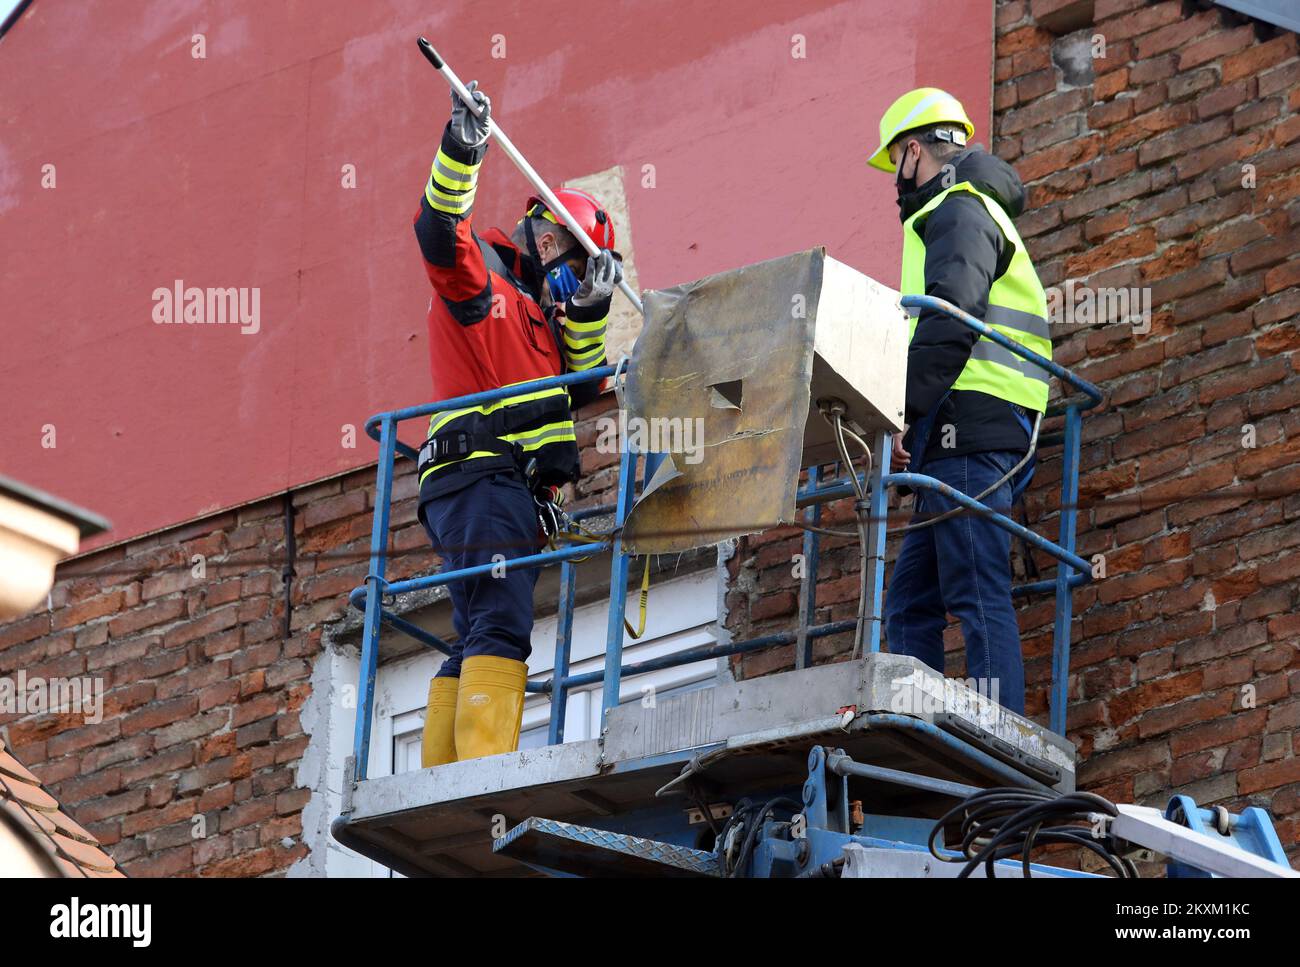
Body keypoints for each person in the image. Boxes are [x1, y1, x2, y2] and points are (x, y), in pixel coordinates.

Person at [412, 80, 622, 763]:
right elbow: (440, 233)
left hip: (485, 488)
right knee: (500, 623)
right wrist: (460, 150)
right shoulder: (491, 289)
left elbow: (581, 383)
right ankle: (478, 777)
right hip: (482, 474)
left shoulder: (543, 329)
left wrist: (591, 310)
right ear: (541, 230)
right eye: (572, 257)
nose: (571, 274)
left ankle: (442, 774)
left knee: (475, 627)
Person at [868, 88, 1052, 716]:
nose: (894, 179)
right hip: (968, 431)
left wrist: (904, 410)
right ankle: (922, 724)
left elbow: (952, 317)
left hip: (972, 428)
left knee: (975, 585)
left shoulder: (958, 211)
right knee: (910, 602)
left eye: (896, 160)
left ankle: (997, 725)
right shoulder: (967, 212)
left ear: (913, 152)